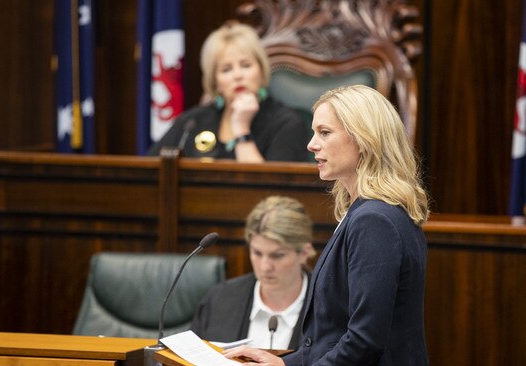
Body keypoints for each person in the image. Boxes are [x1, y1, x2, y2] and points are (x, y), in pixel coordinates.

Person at [223, 84, 430, 365]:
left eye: (324, 132)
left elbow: (364, 342)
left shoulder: (374, 220)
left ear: (364, 138)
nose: (311, 144)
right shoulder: (370, 212)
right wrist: (284, 363)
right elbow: (335, 337)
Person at [148, 23, 309, 162]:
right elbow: (148, 172)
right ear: (215, 81)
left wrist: (241, 130)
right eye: (226, 69)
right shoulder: (192, 122)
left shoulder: (286, 123)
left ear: (261, 71)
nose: (238, 75)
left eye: (246, 65)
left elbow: (271, 190)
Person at [191, 196, 316, 350]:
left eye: (277, 255)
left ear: (304, 253)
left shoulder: (329, 308)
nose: (265, 267)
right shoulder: (219, 301)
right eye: (257, 253)